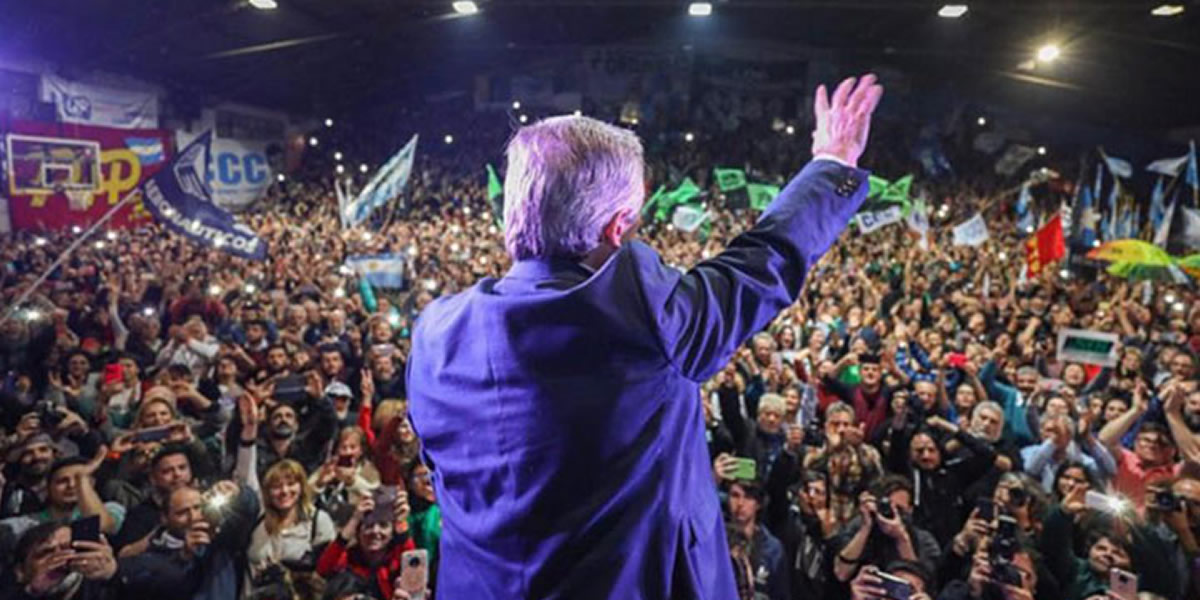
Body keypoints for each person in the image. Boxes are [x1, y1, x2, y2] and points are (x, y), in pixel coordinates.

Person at [406, 75, 884, 598]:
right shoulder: (639, 314)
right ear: (617, 227)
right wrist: (832, 162)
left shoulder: (435, 334)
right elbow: (761, 263)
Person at [0, 522, 119, 600]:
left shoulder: (101, 589)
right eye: (46, 552)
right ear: (20, 571)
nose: (60, 557)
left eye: (69, 548)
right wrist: (34, 591)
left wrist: (113, 574)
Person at [726, 480, 789, 600]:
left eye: (748, 497)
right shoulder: (717, 542)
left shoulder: (772, 549)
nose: (740, 503)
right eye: (735, 496)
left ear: (758, 504)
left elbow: (780, 595)